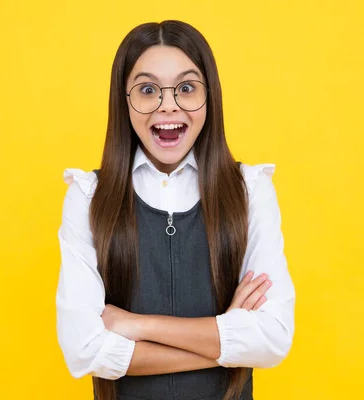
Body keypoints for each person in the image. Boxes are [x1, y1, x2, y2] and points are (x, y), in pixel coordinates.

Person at [56, 20, 295, 400]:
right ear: (125, 100)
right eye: (148, 89)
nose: (168, 105)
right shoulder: (88, 196)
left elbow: (272, 339)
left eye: (186, 88)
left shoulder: (250, 190)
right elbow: (84, 348)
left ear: (209, 95)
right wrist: (226, 337)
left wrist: (136, 325)